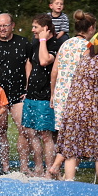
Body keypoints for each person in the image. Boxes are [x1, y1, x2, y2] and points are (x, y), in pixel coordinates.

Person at [57, 31, 98, 185]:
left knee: (72, 148)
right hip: (92, 109)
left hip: (73, 107)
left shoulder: (83, 57)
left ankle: (68, 182)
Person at [0, 13, 32, 174]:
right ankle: (5, 167)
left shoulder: (23, 43)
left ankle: (24, 167)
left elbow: (29, 65)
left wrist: (28, 88)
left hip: (18, 93)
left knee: (24, 130)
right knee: (0, 131)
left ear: (12, 25)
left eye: (5, 25)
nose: (2, 29)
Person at [48, 10, 97, 177]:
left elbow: (54, 72)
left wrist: (53, 94)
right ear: (91, 28)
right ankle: (61, 170)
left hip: (62, 96)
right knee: (78, 138)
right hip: (79, 97)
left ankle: (61, 171)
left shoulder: (65, 44)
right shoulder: (90, 47)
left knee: (66, 135)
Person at [22, 14, 61, 176]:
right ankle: (38, 168)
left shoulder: (55, 44)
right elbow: (30, 63)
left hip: (45, 96)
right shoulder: (35, 43)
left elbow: (45, 60)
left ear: (45, 28)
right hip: (31, 95)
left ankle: (49, 171)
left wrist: (43, 40)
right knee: (30, 133)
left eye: (35, 27)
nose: (32, 30)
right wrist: (28, 86)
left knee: (46, 135)